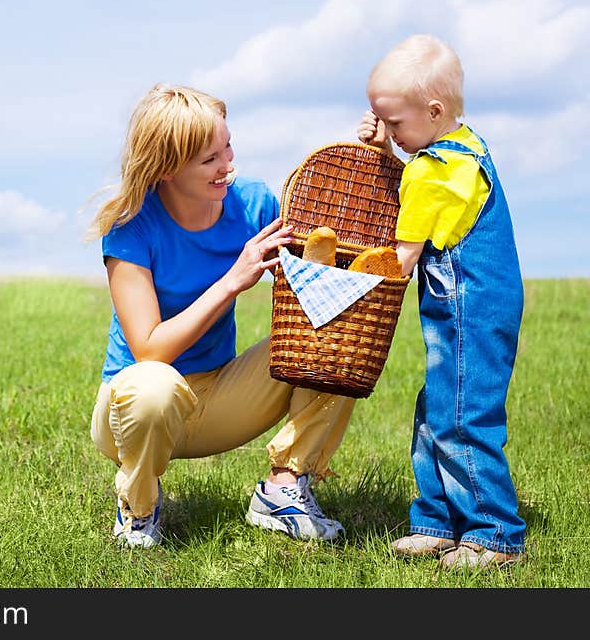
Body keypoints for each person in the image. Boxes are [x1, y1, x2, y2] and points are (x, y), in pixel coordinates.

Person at [86, 83, 357, 548]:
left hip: (220, 397)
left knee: (332, 339)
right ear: (168, 167)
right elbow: (150, 350)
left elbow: (326, 261)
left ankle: (283, 489)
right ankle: (139, 509)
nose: (227, 165)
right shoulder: (132, 227)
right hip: (136, 412)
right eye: (210, 159)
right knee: (153, 383)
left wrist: (364, 155)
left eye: (227, 146)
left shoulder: (252, 203)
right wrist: (233, 279)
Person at [357, 34, 526, 569]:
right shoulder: (463, 149)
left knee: (463, 415)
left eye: (395, 124)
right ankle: (438, 519)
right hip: (475, 305)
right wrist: (387, 146)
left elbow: (401, 259)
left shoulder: (435, 172)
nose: (391, 134)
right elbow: (418, 176)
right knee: (435, 411)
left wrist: (348, 281)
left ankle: (494, 532)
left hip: (469, 309)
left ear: (433, 111)